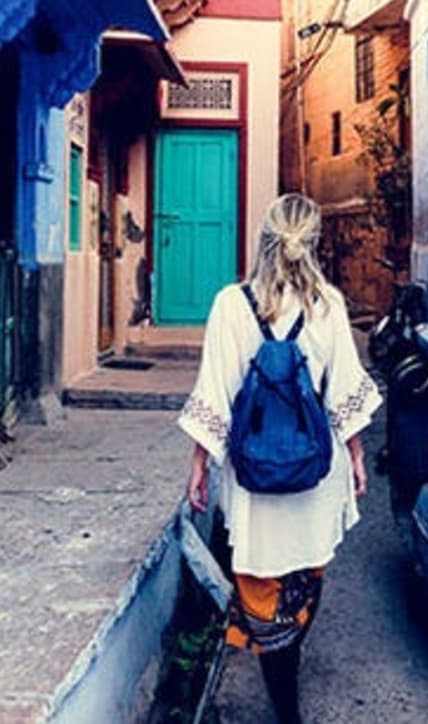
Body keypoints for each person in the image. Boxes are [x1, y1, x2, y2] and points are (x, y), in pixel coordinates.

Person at [178, 193, 382, 724]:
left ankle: (283, 691)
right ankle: (289, 652)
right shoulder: (329, 305)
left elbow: (215, 392)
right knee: (305, 576)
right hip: (315, 476)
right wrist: (357, 456)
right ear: (313, 245)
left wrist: (200, 463)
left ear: (263, 240)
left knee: (263, 590)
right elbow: (345, 393)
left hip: (254, 480)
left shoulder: (230, 304)